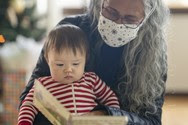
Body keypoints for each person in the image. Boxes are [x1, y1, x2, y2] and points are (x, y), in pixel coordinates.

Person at [19, 0, 170, 124]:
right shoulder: (69, 32)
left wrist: (108, 115)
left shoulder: (152, 51)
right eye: (111, 12)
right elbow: (31, 96)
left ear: (147, 18)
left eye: (129, 19)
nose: (117, 24)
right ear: (100, 3)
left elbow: (152, 121)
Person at [18, 24, 120, 125]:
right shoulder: (43, 84)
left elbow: (109, 97)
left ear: (85, 59)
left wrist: (112, 116)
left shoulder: (91, 79)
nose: (68, 70)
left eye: (75, 64)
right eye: (59, 64)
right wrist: (25, 122)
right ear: (47, 60)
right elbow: (28, 105)